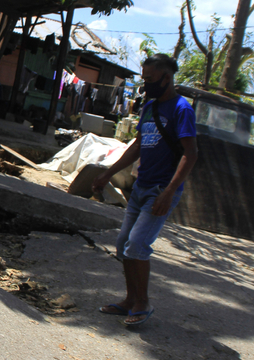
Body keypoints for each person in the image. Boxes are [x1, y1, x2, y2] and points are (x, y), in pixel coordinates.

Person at [91, 54, 198, 326]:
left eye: (150, 79)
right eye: (144, 78)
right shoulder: (149, 107)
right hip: (141, 187)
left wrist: (170, 192)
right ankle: (129, 300)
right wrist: (107, 174)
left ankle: (143, 303)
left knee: (137, 245)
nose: (146, 84)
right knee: (123, 245)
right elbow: (137, 146)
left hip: (161, 190)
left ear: (166, 78)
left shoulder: (182, 109)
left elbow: (190, 154)